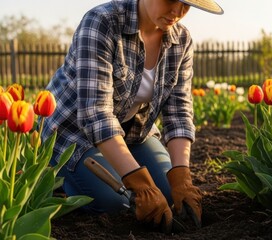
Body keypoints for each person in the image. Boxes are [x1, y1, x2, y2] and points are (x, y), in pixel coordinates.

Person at [40, 0, 223, 232]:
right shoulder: (102, 22)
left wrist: (182, 177)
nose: (177, 11)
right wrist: (140, 184)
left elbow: (179, 112)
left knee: (167, 193)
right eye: (170, 0)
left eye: (186, 4)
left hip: (134, 131)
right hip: (74, 132)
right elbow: (96, 114)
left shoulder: (181, 40)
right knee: (118, 202)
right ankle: (57, 179)